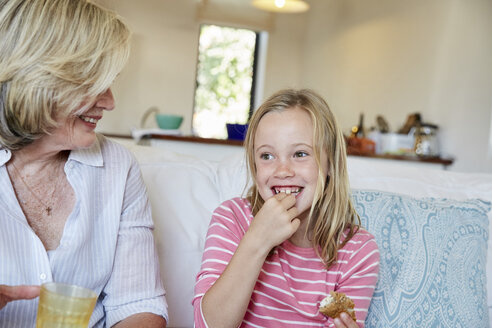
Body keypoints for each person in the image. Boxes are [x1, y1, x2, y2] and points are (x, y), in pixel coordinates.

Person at [0, 0, 168, 327]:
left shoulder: (118, 167)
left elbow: (138, 303)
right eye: (92, 85)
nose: (109, 102)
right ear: (36, 78)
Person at [193, 89, 380, 328]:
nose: (282, 171)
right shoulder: (232, 219)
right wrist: (257, 241)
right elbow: (208, 325)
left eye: (300, 154)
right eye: (267, 156)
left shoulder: (357, 251)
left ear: (330, 163)